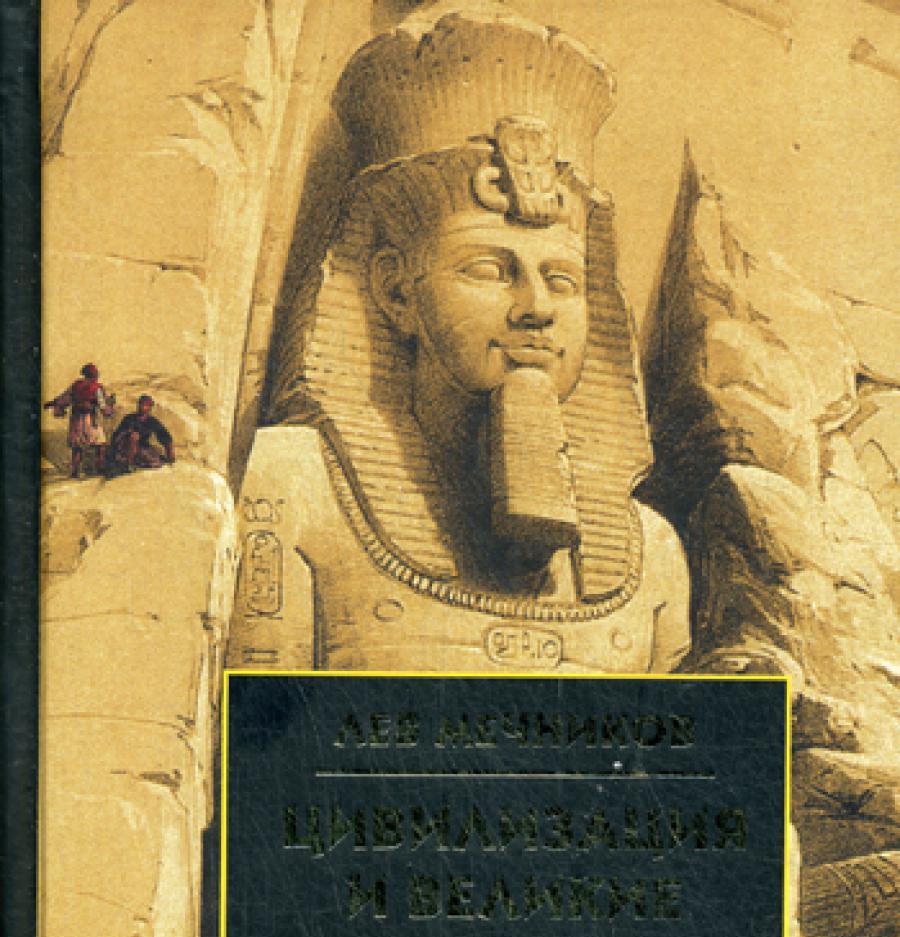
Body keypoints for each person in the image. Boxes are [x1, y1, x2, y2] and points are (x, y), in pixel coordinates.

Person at [237, 8, 691, 676]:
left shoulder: (653, 558)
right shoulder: (295, 487)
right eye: (489, 270)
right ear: (396, 292)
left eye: (562, 280)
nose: (536, 309)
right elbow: (262, 731)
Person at [45, 362, 116, 477]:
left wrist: (53, 403)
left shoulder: (76, 385)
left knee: (77, 447)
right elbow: (102, 406)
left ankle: (75, 472)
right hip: (90, 420)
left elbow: (64, 399)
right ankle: (99, 469)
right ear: (94, 375)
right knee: (100, 445)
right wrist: (110, 410)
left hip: (76, 420)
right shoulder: (97, 388)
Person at [108, 395, 175, 471]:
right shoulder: (129, 419)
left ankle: (137, 462)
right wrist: (127, 433)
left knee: (156, 460)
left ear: (150, 407)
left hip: (141, 448)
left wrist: (170, 451)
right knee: (134, 437)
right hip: (125, 448)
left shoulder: (151, 421)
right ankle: (129, 464)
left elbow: (164, 435)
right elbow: (116, 436)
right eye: (141, 404)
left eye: (146, 405)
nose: (142, 407)